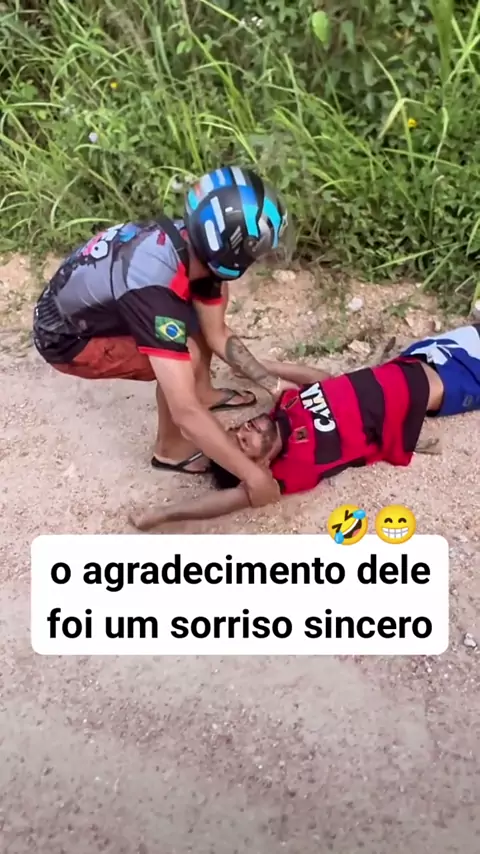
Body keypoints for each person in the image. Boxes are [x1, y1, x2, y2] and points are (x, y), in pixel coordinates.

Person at [33, 165, 294, 508]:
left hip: (99, 303)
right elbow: (185, 411)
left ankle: (204, 390)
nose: (258, 257)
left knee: (197, 322)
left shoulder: (194, 248)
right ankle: (170, 451)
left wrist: (275, 385)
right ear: (233, 247)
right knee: (187, 352)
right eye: (256, 249)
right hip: (67, 339)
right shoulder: (154, 288)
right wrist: (253, 475)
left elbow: (217, 333)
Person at [130, 323, 480, 530]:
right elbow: (235, 498)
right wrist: (163, 514)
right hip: (443, 385)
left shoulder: (286, 408)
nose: (244, 429)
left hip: (419, 357)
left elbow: (323, 380)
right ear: (259, 467)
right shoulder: (294, 468)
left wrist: (264, 367)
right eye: (243, 444)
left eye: (236, 430)